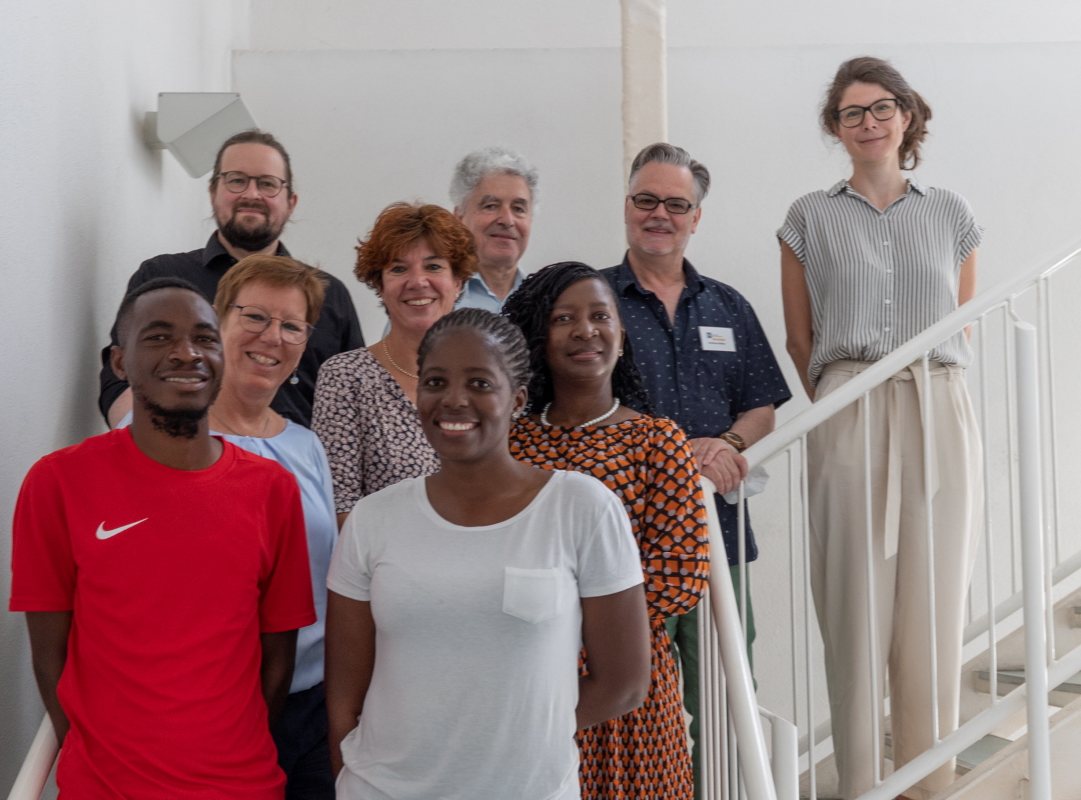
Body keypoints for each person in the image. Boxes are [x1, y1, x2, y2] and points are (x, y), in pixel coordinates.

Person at [324, 308, 651, 800]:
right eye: (435, 381)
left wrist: (514, 737)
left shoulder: (581, 506)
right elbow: (343, 701)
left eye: (479, 383)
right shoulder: (372, 520)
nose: (454, 400)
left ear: (517, 399)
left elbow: (624, 682)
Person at [11, 277, 315, 799]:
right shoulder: (57, 483)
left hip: (242, 786)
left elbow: (278, 658)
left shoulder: (273, 491)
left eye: (204, 337)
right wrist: (99, 761)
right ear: (119, 362)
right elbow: (49, 656)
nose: (186, 353)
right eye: (157, 337)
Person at [778, 56, 983, 800]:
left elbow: (961, 321)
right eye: (851, 112)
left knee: (935, 601)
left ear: (907, 113)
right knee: (853, 603)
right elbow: (801, 341)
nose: (868, 122)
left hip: (938, 399)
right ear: (836, 128)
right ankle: (864, 784)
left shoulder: (952, 211)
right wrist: (843, 399)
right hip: (849, 402)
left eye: (880, 107)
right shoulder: (807, 216)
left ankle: (934, 783)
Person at [600, 142, 792, 793]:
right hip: (623, 543)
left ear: (696, 217)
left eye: (675, 204)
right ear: (627, 207)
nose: (660, 214)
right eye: (646, 200)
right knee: (636, 706)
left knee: (727, 694)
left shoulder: (728, 306)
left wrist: (727, 444)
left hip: (720, 538)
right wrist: (665, 448)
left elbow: (762, 404)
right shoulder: (592, 303)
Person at [504, 262, 710, 800]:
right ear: (538, 338)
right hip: (527, 676)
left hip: (627, 684)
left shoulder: (656, 440)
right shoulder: (510, 443)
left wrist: (578, 623)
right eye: (563, 318)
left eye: (600, 316)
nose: (585, 330)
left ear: (621, 334)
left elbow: (680, 574)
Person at [98, 129, 364, 429]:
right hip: (186, 466)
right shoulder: (162, 278)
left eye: (267, 184)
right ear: (213, 192)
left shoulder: (330, 294)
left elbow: (354, 405)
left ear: (291, 201)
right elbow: (120, 378)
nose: (252, 194)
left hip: (300, 468)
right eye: (237, 180)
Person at [312, 202, 476, 524]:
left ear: (458, 282)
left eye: (433, 266)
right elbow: (338, 509)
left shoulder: (487, 380)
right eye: (398, 269)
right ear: (379, 285)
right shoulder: (345, 378)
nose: (417, 281)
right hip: (383, 569)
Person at [449, 147, 537, 310]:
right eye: (491, 206)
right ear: (459, 218)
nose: (507, 220)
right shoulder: (433, 301)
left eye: (518, 208)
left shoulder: (546, 303)